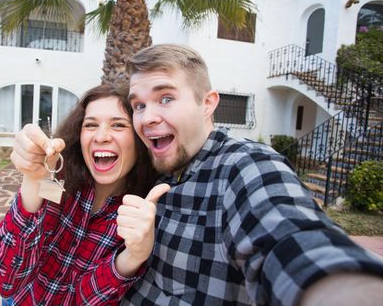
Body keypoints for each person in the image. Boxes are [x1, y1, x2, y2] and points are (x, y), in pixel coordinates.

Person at [119, 44, 383, 305]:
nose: (147, 118)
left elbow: (291, 240)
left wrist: (340, 289)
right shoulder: (156, 170)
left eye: (166, 98)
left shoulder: (244, 164)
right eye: (139, 105)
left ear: (208, 104)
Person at [0, 84, 168, 305]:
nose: (101, 136)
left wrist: (134, 257)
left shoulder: (140, 211)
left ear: (140, 140)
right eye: (90, 125)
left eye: (119, 125)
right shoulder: (58, 181)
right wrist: (33, 179)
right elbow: (6, 282)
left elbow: (82, 299)